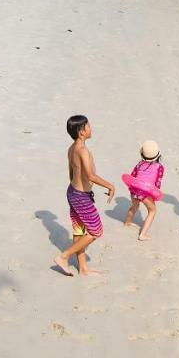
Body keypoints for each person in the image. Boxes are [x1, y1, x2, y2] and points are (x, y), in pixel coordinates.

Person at [54, 114, 115, 276]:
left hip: (73, 192)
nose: (91, 128)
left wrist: (78, 190)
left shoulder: (71, 148)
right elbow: (90, 175)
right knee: (96, 231)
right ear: (81, 132)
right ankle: (63, 256)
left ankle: (83, 268)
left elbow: (71, 172)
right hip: (80, 196)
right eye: (88, 126)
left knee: (79, 230)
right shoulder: (83, 151)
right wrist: (110, 185)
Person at [122, 140, 165, 241]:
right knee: (152, 210)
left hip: (134, 190)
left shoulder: (139, 164)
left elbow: (132, 176)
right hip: (146, 192)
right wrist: (154, 195)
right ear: (158, 155)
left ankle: (127, 222)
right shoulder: (160, 167)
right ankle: (143, 235)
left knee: (134, 205)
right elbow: (158, 183)